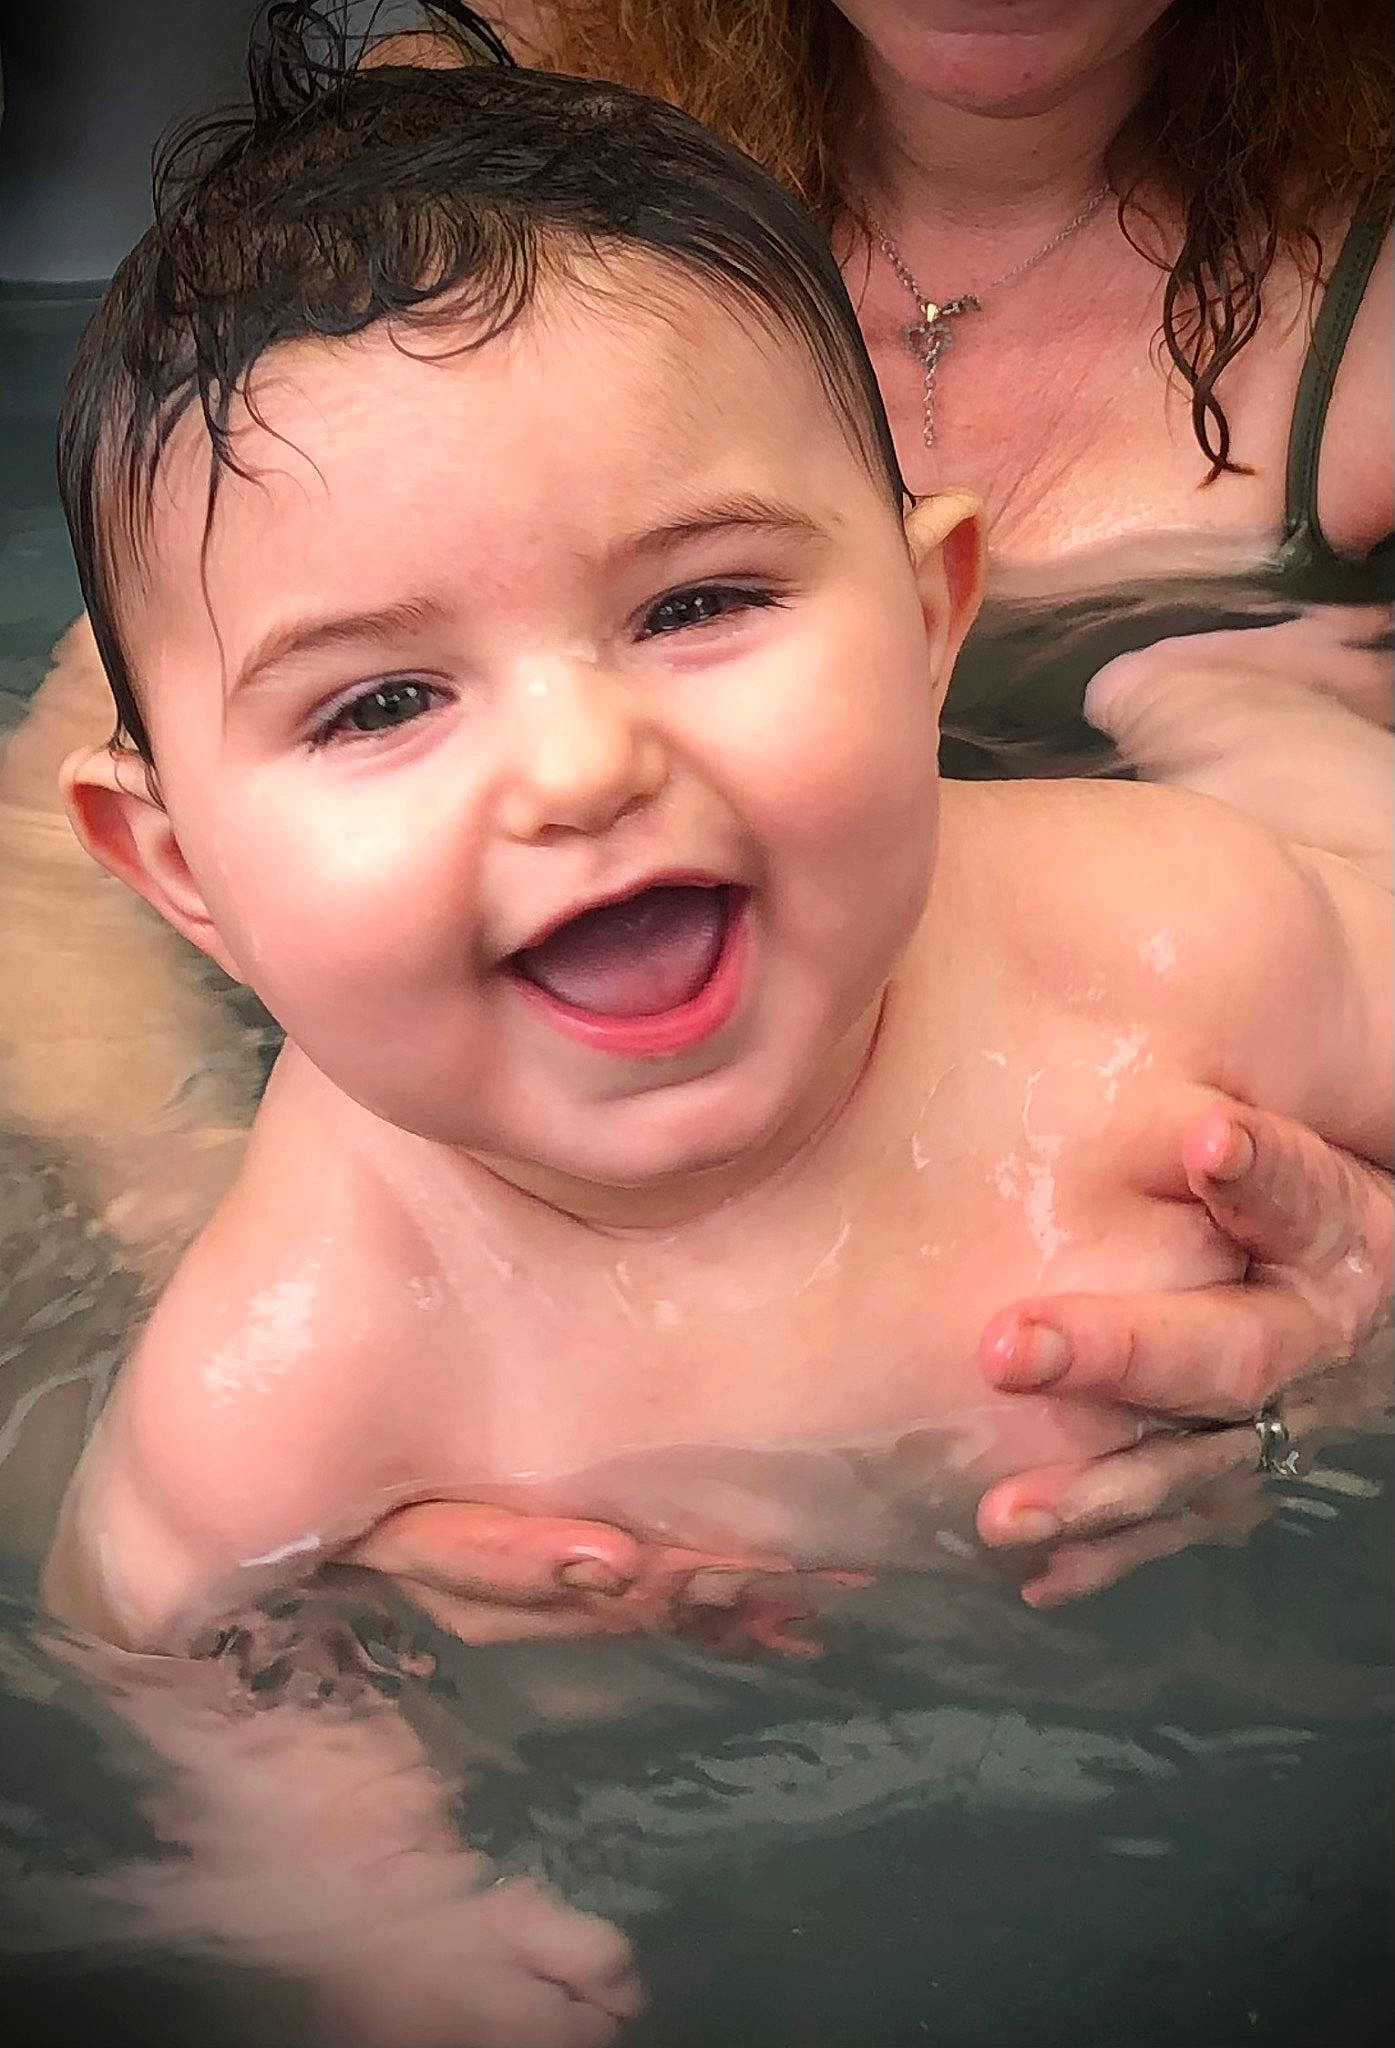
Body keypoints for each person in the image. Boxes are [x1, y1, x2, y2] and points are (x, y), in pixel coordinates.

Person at [3, 0, 1389, 1616]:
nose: (586, 766)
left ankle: (1245, 716)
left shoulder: (1171, 944)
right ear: (179, 873)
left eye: (696, 605)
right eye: (384, 701)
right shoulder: (305, 1322)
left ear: (936, 616)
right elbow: (162, 1660)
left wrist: (1366, 1329)